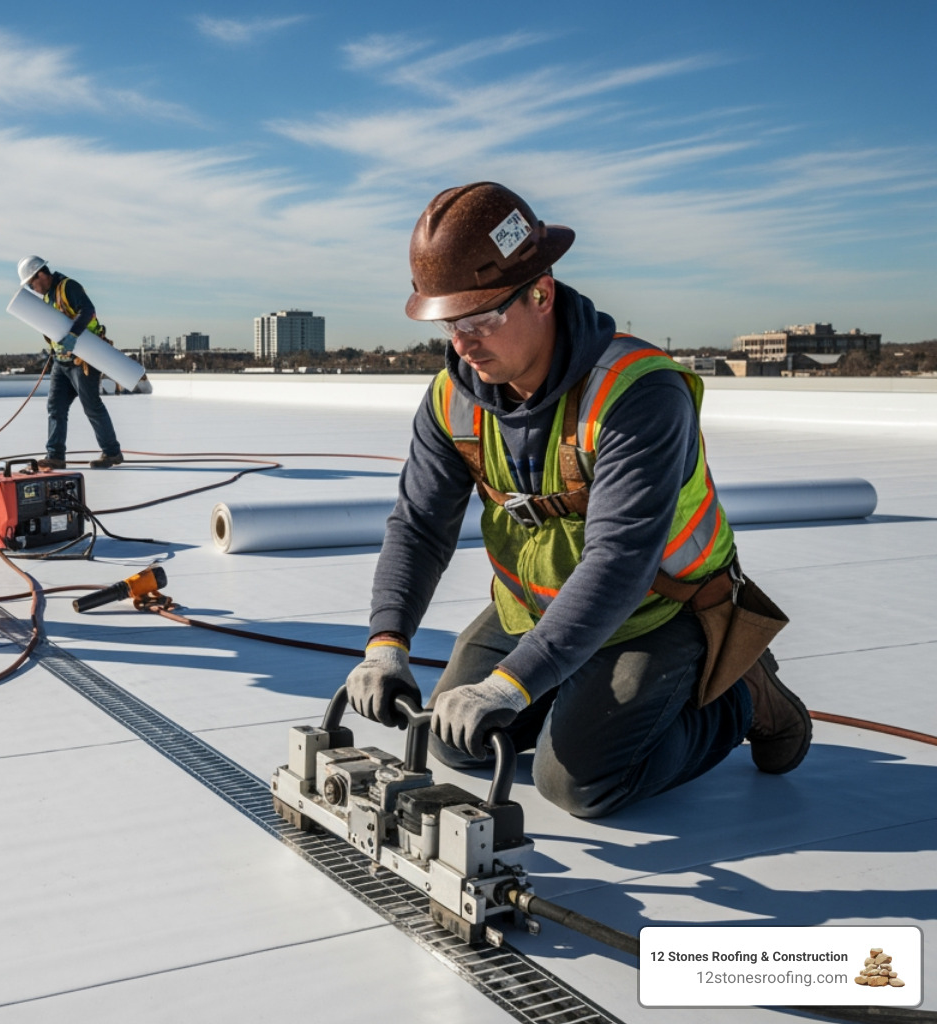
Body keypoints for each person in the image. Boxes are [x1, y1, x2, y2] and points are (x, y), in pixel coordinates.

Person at [344, 182, 811, 818]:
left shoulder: (638, 393)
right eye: (450, 323)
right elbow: (420, 526)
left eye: (481, 319)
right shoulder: (452, 398)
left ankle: (745, 698)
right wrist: (385, 644)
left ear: (541, 292)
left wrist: (512, 684)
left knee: (579, 784)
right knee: (459, 743)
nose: (462, 344)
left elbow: (620, 560)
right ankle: (573, 692)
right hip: (532, 607)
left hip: (656, 610)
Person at [16, 256, 124, 469]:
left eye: (31, 284)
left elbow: (88, 310)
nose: (32, 289)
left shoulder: (68, 287)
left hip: (84, 359)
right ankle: (55, 455)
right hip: (61, 362)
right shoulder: (47, 298)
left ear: (41, 274)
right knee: (55, 407)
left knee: (91, 406)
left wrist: (73, 335)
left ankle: (112, 453)